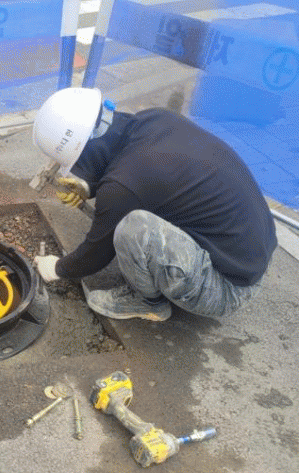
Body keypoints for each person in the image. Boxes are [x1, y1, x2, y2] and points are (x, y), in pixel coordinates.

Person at [31, 87, 277, 321]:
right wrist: (92, 187)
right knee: (141, 212)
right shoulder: (154, 119)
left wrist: (56, 268)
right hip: (252, 256)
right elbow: (143, 178)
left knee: (133, 229)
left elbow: (94, 255)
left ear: (84, 151)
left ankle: (147, 303)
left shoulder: (123, 187)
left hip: (227, 288)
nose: (78, 170)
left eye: (77, 163)